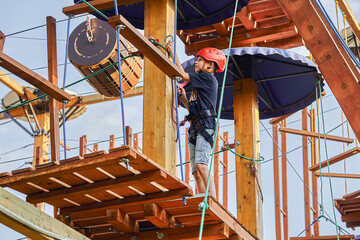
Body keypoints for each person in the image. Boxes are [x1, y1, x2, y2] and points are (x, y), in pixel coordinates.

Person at [166, 42, 226, 198]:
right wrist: (185, 99)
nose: (196, 62)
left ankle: (212, 201)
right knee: (196, 172)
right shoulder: (198, 86)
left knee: (201, 164)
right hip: (196, 126)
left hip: (205, 126)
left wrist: (173, 53)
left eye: (200, 60)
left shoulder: (207, 77)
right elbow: (193, 110)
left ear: (210, 64)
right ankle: (202, 200)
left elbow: (181, 74)